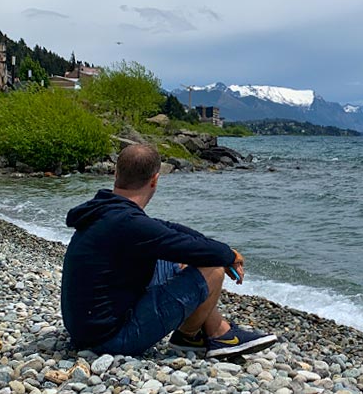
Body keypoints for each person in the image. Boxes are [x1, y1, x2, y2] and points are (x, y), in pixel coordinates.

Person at [61, 144, 277, 358]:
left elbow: (170, 230)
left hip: (87, 329)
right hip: (111, 339)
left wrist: (224, 250)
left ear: (116, 173)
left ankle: (218, 330)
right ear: (155, 180)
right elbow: (190, 248)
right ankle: (188, 337)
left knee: (184, 259)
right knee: (212, 268)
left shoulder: (105, 211)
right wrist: (230, 256)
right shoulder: (128, 223)